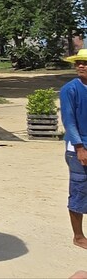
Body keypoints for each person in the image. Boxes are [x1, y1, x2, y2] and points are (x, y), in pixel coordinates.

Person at [61, 48, 87, 250]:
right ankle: (78, 236)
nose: (81, 66)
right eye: (78, 62)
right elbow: (69, 121)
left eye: (85, 63)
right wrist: (80, 147)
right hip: (78, 147)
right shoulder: (70, 89)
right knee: (79, 190)